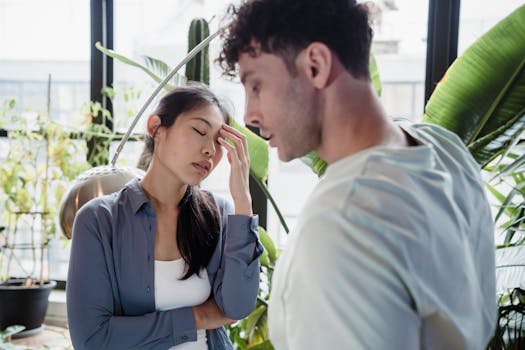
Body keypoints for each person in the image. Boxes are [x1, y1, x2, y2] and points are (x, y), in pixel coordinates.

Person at [218, 0, 497, 349]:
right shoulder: (445, 150)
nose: (249, 115)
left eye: (256, 85)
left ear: (316, 66)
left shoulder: (342, 221)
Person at [67, 83, 262, 350]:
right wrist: (199, 316)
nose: (210, 150)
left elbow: (237, 306)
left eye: (218, 142)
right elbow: (93, 340)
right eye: (199, 131)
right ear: (156, 128)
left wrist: (243, 201)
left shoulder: (222, 213)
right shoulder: (99, 220)